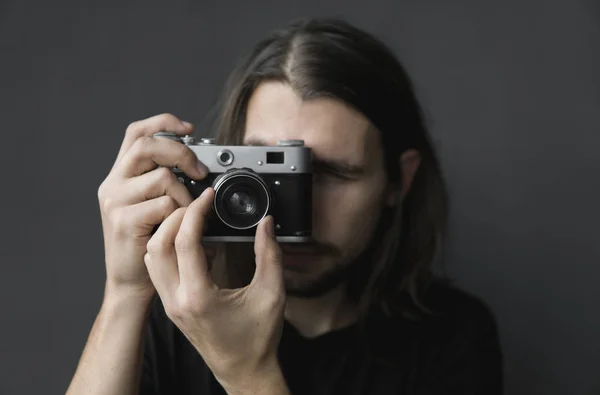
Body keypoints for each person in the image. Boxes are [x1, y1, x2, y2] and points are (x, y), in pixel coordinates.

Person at [66, 17, 503, 395]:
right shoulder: (180, 310)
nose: (291, 213)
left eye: (332, 174)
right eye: (264, 172)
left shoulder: (452, 336)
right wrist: (125, 293)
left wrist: (247, 374)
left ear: (399, 180)